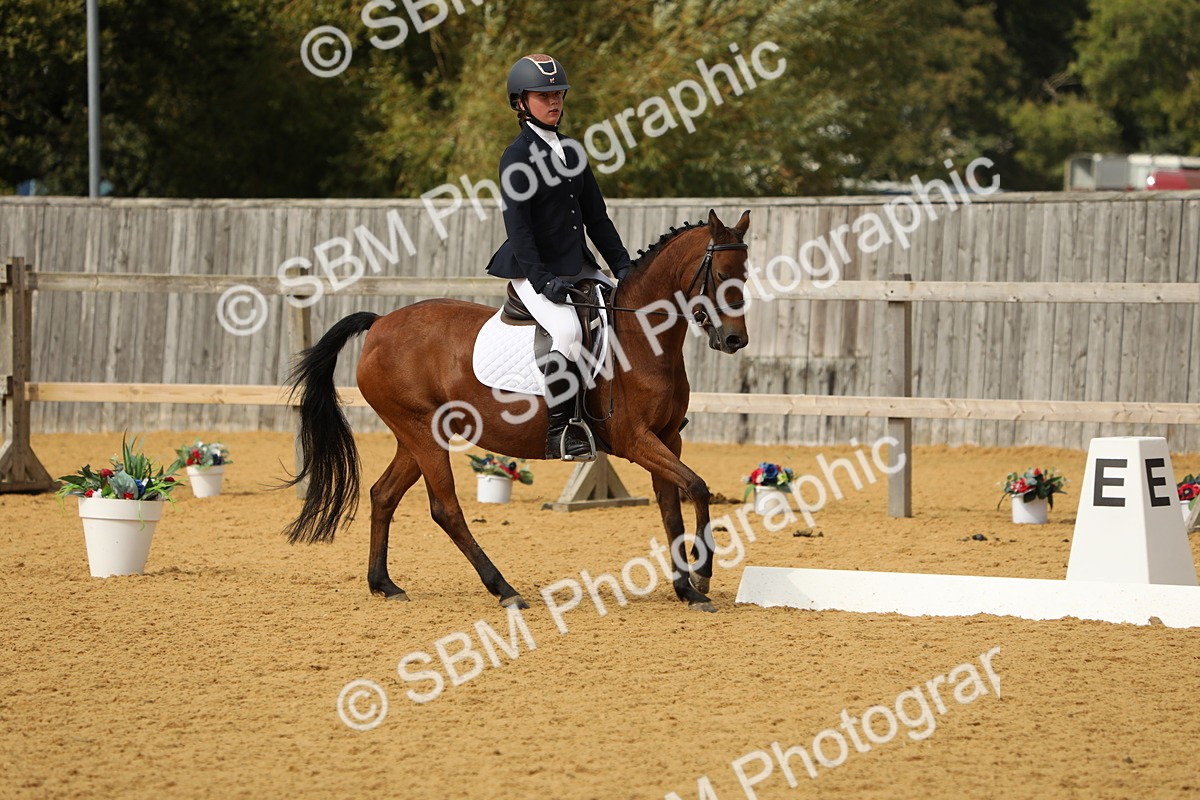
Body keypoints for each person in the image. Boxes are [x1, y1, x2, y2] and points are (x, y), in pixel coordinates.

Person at [485, 54, 634, 462]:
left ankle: (637, 409)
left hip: (578, 264)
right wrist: (542, 282)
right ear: (520, 102)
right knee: (568, 332)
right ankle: (561, 431)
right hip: (531, 270)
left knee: (626, 313)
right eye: (543, 95)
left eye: (558, 93)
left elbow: (597, 219)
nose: (554, 101)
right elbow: (520, 230)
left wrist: (623, 266)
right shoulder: (515, 157)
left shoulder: (571, 150)